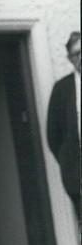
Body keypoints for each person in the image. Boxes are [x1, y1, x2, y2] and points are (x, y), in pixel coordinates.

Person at [46, 31, 81, 217]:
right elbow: (54, 137)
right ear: (70, 59)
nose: (81, 57)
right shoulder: (62, 89)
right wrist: (71, 163)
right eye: (76, 54)